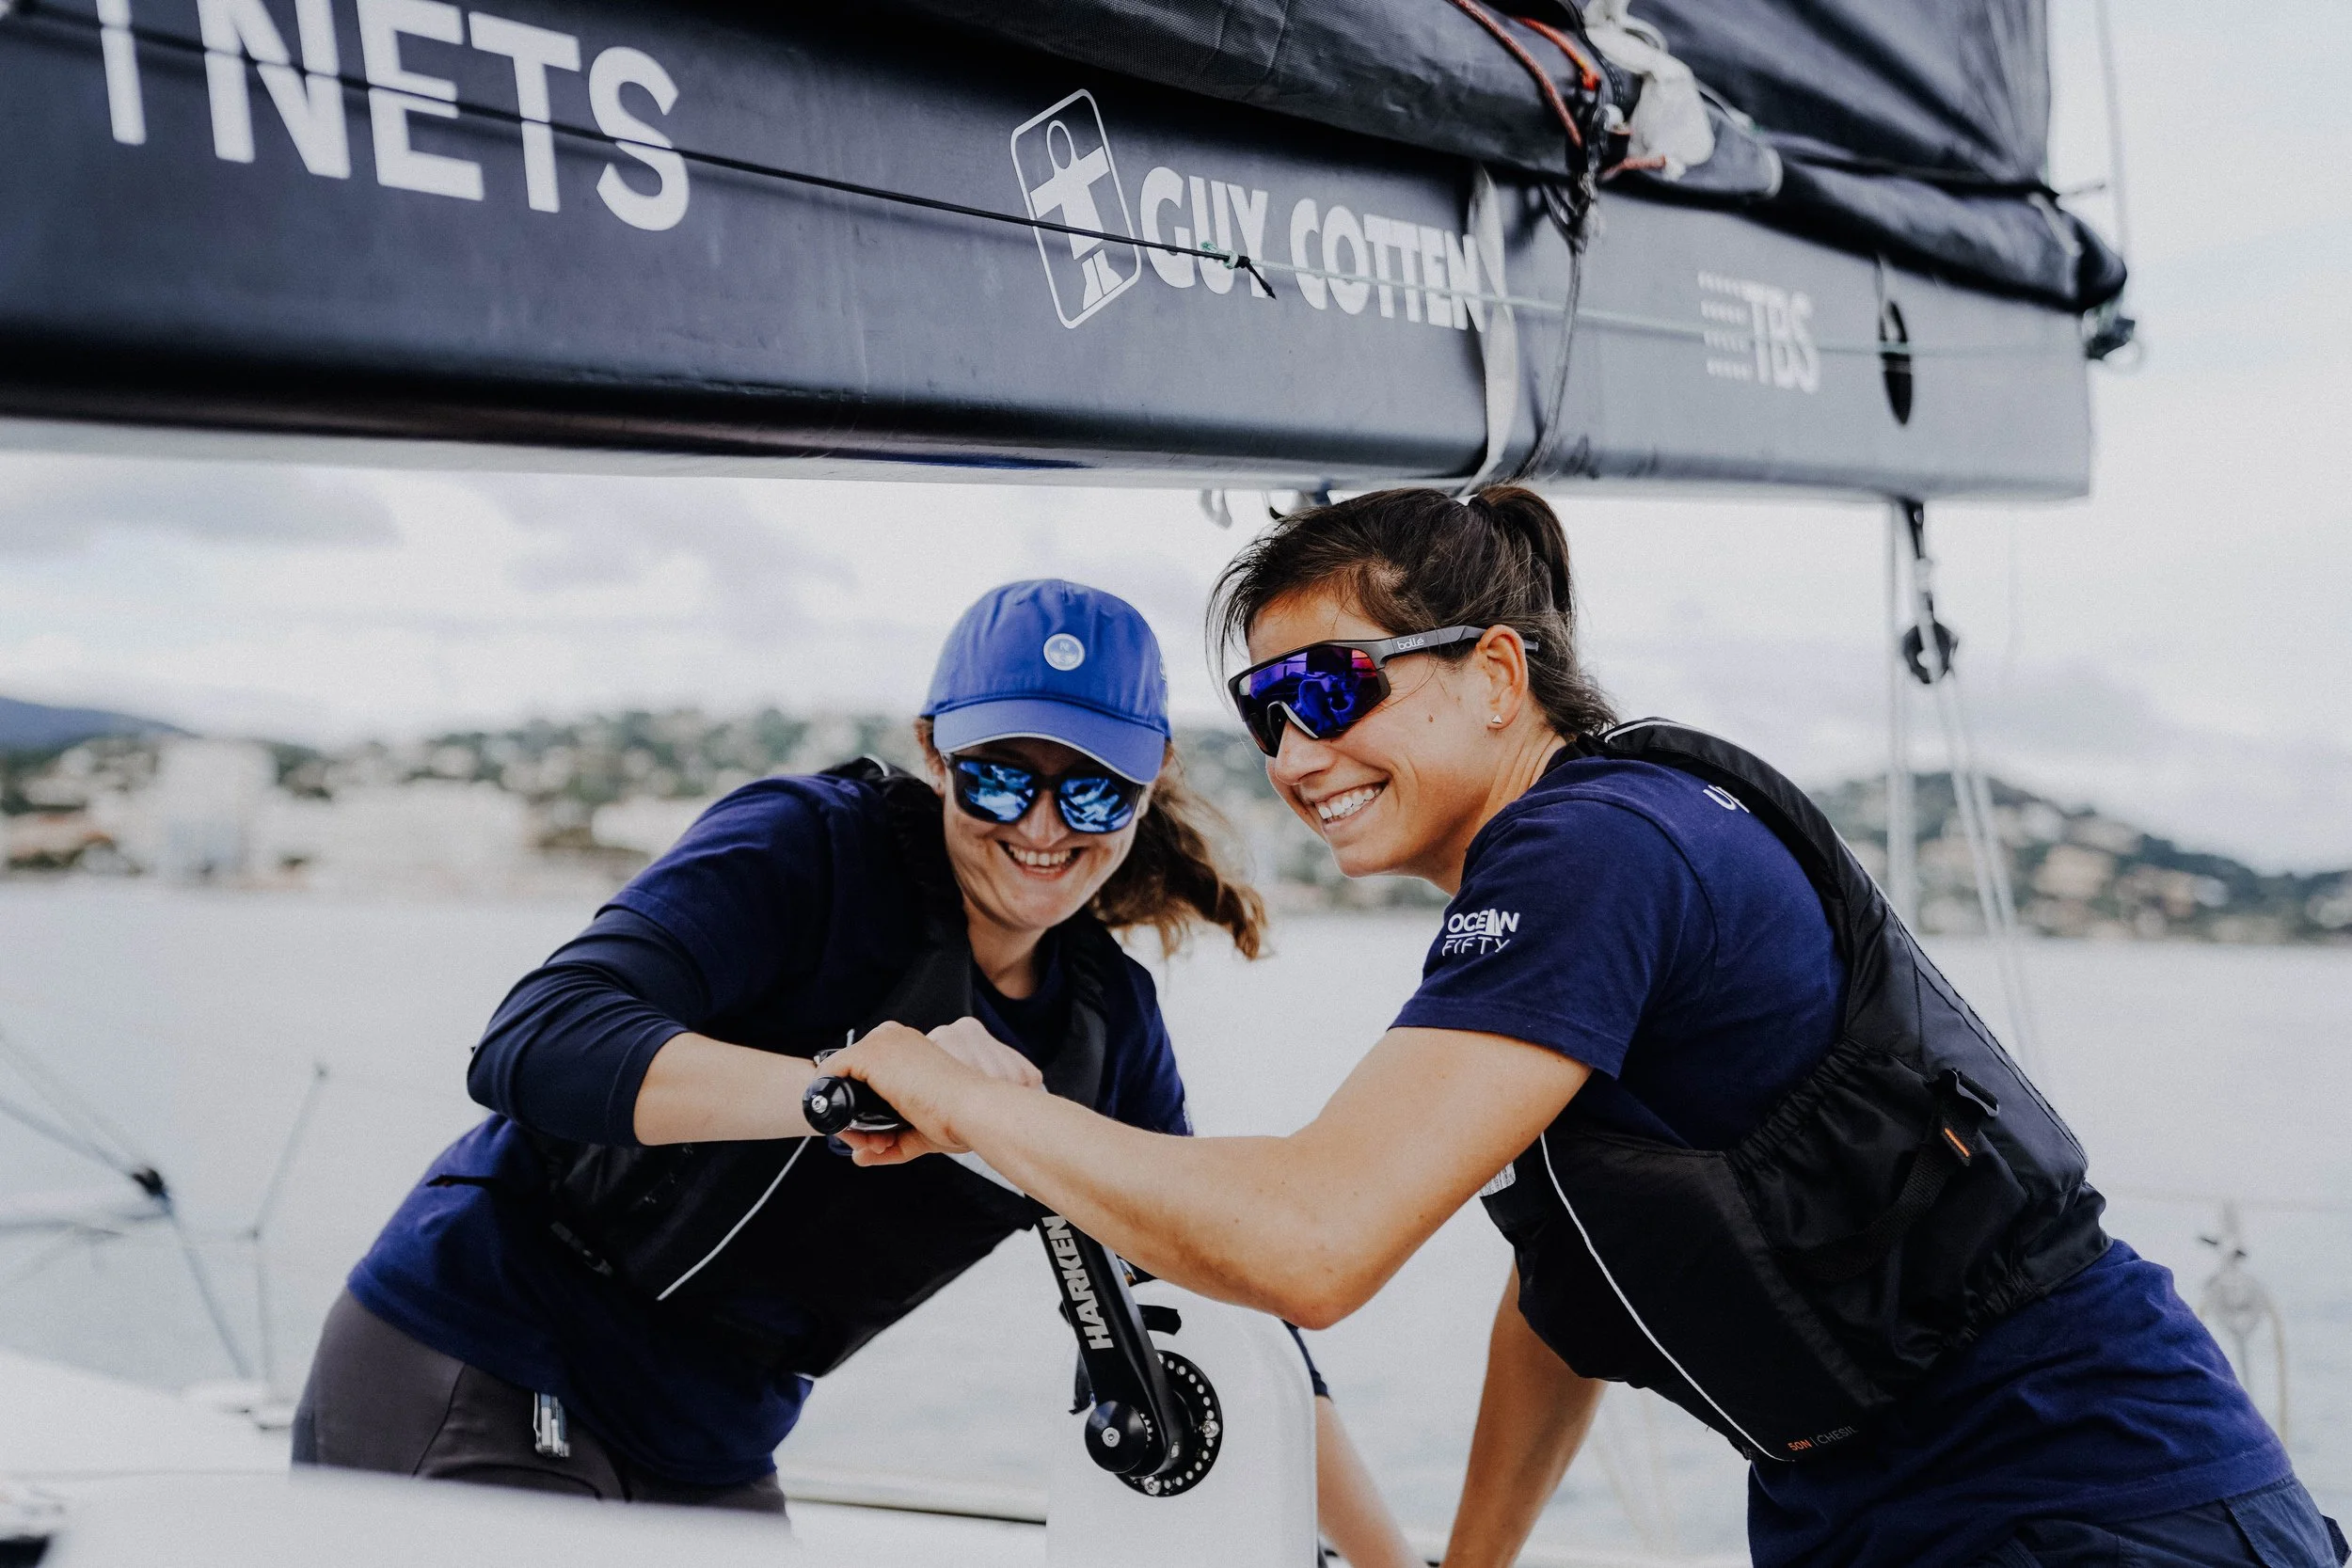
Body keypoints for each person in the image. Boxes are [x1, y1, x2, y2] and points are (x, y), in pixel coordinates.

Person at [825, 491, 2349, 1568]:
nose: (1297, 750)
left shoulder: (1595, 847)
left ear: (1498, 671)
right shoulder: (1557, 890)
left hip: (2077, 1490)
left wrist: (963, 1093)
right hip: (1879, 1504)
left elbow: (1310, 1241)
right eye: (1264, 710)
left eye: (1333, 685)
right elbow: (1561, 1305)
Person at [292, 578, 1417, 1566]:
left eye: (1090, 792)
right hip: (484, 1351)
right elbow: (533, 1040)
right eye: (995, 779)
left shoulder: (1103, 1028)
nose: (1039, 825)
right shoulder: (810, 850)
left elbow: (1215, 1292)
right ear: (932, 749)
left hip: (708, 1436)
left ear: (1153, 776)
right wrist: (855, 1086)